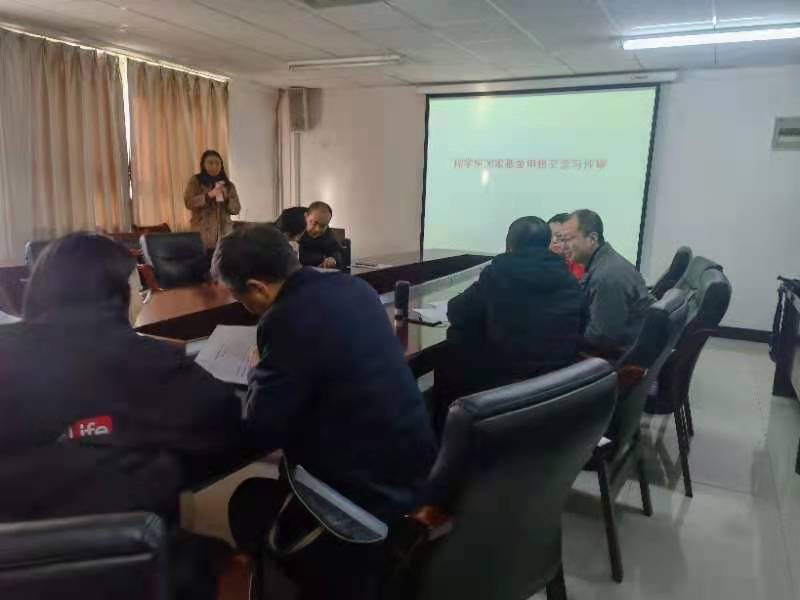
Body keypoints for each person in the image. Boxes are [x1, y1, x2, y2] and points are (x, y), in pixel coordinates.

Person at [0, 233, 244, 599]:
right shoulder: (153, 363)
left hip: (16, 569)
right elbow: (225, 423)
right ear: (117, 294)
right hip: (132, 568)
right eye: (136, 287)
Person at [212, 224, 437, 600]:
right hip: (414, 473)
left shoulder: (284, 319)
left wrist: (256, 370)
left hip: (362, 503)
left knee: (247, 503)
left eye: (240, 299)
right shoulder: (355, 288)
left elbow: (260, 428)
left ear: (257, 288)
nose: (245, 308)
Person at [433, 217, 584, 430]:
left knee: (451, 350)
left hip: (508, 379)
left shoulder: (499, 272)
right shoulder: (568, 277)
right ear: (547, 243)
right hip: (558, 380)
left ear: (509, 245)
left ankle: (443, 436)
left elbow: (457, 311)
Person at [562, 209, 653, 351]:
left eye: (568, 239)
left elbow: (601, 337)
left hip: (617, 356)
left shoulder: (606, 276)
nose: (563, 246)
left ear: (592, 239)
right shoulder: (604, 261)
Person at [184, 149, 241, 248]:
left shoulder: (228, 185)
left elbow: (236, 209)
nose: (214, 166)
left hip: (225, 235)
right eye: (210, 163)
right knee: (204, 257)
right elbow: (189, 203)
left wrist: (227, 199)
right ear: (203, 165)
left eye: (217, 163)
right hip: (203, 235)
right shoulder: (196, 181)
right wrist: (208, 195)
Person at [298, 201, 343, 268]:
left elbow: (337, 253)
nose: (318, 229)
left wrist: (333, 260)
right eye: (314, 223)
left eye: (323, 226)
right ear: (306, 216)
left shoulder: (328, 234)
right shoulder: (294, 230)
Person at [547, 213, 585, 279]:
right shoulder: (539, 262)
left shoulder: (580, 263)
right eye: (550, 235)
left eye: (559, 236)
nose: (554, 240)